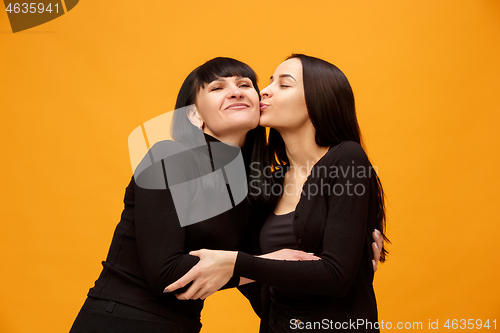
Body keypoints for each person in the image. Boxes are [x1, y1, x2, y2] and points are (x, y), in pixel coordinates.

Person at [69, 57, 384, 333]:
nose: (241, 91)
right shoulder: (167, 158)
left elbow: (272, 278)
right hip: (120, 319)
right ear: (195, 116)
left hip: (182, 326)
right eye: (216, 87)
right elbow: (166, 274)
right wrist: (246, 265)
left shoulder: (255, 188)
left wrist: (348, 264)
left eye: (245, 84)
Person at [165, 54, 389, 333]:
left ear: (319, 98)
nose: (264, 91)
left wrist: (235, 263)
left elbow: (336, 276)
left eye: (284, 85)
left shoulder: (346, 158)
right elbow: (247, 267)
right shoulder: (268, 182)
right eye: (269, 82)